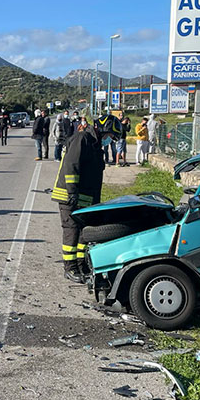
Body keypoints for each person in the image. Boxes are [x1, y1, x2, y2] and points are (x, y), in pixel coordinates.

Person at [51, 120, 117, 283]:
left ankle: (82, 265)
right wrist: (72, 192)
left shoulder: (95, 145)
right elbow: (71, 166)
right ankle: (70, 267)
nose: (109, 139)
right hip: (70, 196)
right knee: (71, 231)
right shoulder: (82, 139)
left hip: (85, 198)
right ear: (103, 130)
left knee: (83, 232)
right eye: (110, 135)